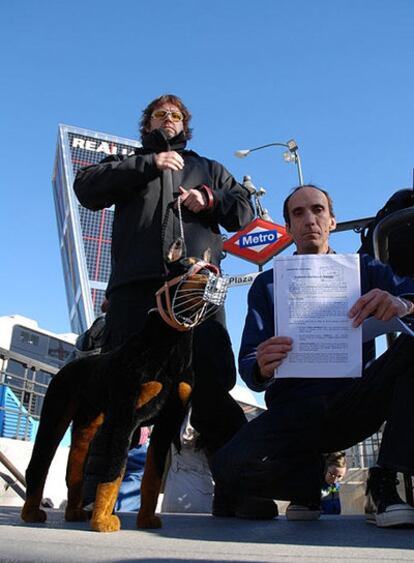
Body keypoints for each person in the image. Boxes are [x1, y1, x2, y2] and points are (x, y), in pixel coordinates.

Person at [74, 94, 275, 518]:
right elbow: (85, 189)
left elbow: (244, 215)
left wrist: (210, 199)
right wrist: (149, 164)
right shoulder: (127, 163)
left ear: (186, 125)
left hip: (199, 288)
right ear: (146, 124)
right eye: (159, 114)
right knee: (120, 390)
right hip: (135, 292)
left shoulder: (211, 168)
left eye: (176, 115)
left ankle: (238, 491)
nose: (169, 119)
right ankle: (95, 491)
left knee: (209, 386)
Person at [212, 184, 414, 528]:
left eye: (318, 210)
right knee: (227, 466)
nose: (310, 220)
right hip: (291, 411)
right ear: (288, 228)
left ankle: (384, 479)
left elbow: (410, 291)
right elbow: (248, 365)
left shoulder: (364, 270)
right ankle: (308, 484)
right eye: (298, 213)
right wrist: (261, 365)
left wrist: (403, 303)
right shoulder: (268, 284)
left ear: (332, 221)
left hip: (353, 401)